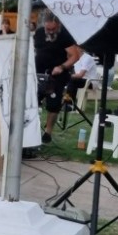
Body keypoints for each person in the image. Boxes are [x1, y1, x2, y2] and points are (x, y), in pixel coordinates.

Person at [34, 11, 81, 143]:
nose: (50, 31)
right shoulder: (39, 33)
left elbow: (75, 56)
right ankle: (33, 130)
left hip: (57, 76)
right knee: (32, 101)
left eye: (53, 29)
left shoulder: (64, 35)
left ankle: (48, 132)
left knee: (53, 104)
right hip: (39, 73)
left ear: (58, 25)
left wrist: (62, 67)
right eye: (48, 29)